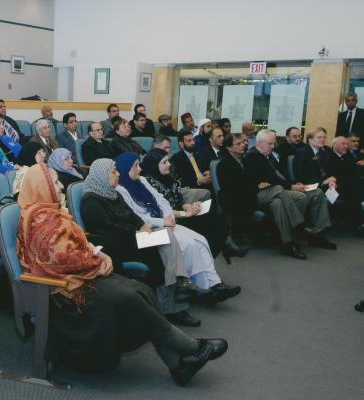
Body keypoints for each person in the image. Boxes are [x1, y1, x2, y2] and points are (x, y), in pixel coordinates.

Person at [17, 163, 227, 382]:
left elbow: (78, 245)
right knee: (129, 299)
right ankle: (190, 348)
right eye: (56, 182)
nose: (61, 187)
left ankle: (178, 366)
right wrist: (97, 260)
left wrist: (98, 254)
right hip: (61, 289)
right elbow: (62, 259)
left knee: (142, 290)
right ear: (42, 186)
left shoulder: (52, 212)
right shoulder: (41, 220)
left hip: (79, 278)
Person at [81, 159, 203, 327]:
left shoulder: (112, 192)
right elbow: (106, 229)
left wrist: (142, 225)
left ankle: (177, 287)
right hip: (120, 245)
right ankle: (176, 297)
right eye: (113, 171)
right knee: (163, 251)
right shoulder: (90, 200)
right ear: (102, 176)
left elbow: (131, 214)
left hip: (134, 238)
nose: (118, 174)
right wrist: (137, 231)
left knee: (166, 237)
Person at [115, 152, 240, 303]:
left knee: (200, 240)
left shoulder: (142, 180)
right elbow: (136, 216)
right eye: (135, 166)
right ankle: (203, 287)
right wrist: (163, 222)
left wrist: (169, 216)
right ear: (125, 168)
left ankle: (214, 284)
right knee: (189, 244)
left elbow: (161, 200)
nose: (139, 169)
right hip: (149, 228)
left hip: (165, 222)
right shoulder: (120, 189)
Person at [243, 129, 335, 258]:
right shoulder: (253, 156)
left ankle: (299, 236)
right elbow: (270, 178)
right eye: (270, 144)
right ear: (259, 143)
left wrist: (293, 184)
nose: (273, 146)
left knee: (301, 197)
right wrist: (290, 186)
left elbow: (280, 176)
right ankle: (297, 228)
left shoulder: (267, 156)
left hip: (276, 192)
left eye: (273, 143)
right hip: (259, 194)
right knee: (279, 192)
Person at [142, 140, 240, 262]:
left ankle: (217, 251)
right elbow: (160, 211)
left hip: (182, 214)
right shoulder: (148, 183)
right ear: (154, 165)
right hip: (172, 221)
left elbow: (180, 200)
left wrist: (190, 206)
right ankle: (219, 250)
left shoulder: (167, 178)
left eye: (168, 161)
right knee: (212, 227)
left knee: (215, 215)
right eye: (164, 162)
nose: (168, 165)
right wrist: (185, 212)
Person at [321, 136, 364, 238]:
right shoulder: (329, 157)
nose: (346, 146)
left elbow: (354, 171)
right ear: (334, 145)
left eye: (346, 144)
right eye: (343, 144)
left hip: (349, 186)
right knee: (359, 190)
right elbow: (333, 175)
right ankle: (363, 223)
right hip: (334, 186)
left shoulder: (347, 156)